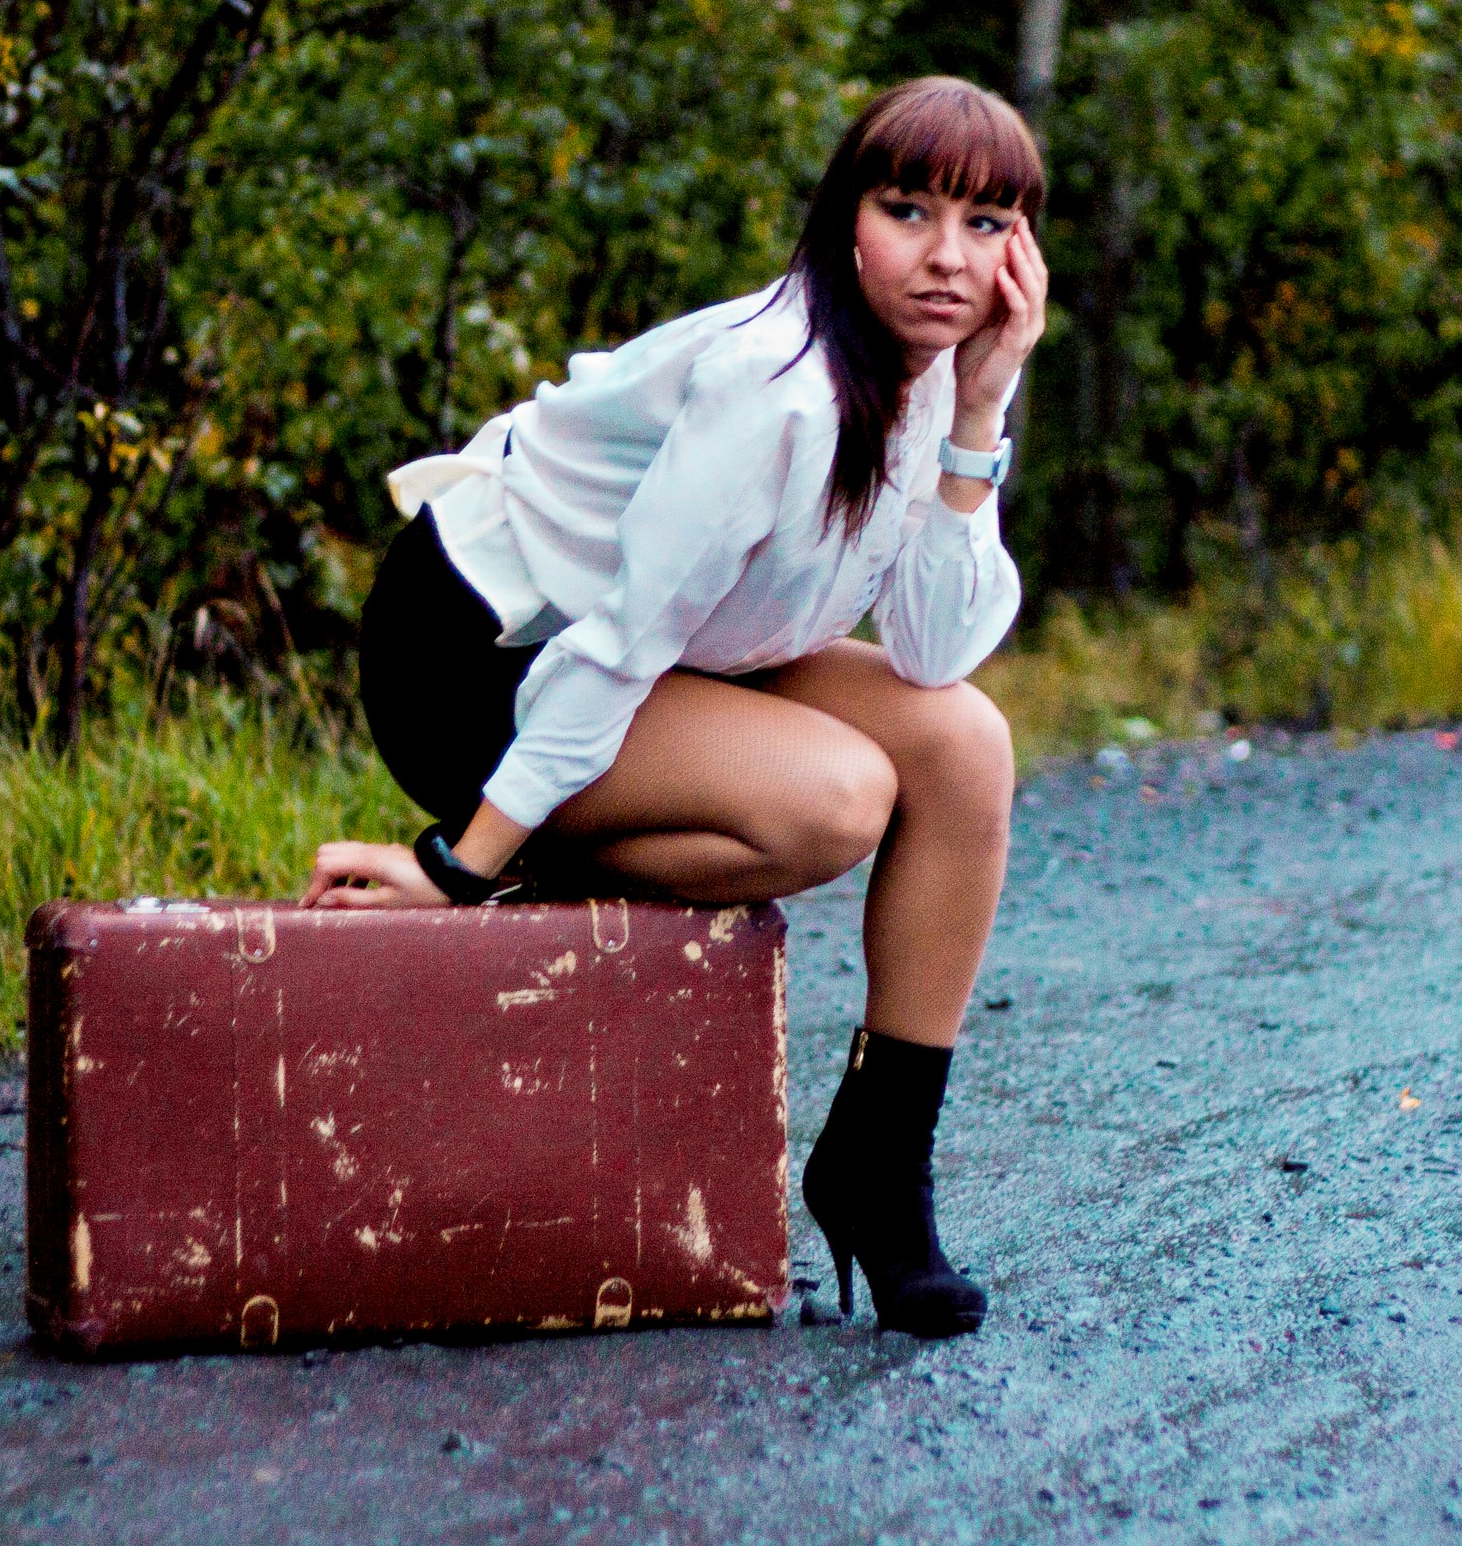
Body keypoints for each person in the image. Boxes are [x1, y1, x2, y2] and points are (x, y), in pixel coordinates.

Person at [297, 76, 1047, 1339]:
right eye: (908, 210)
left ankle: (880, 1165)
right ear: (844, 221)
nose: (945, 258)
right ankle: (517, 867)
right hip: (483, 656)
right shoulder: (776, 383)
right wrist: (458, 867)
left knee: (965, 744)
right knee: (835, 799)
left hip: (695, 652)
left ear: (1022, 253)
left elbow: (933, 652)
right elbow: (619, 641)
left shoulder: (936, 371)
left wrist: (980, 410)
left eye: (986, 225)